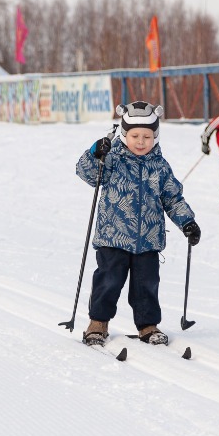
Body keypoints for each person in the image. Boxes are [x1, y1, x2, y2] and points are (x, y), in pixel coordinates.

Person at [75, 101, 200, 348]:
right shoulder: (111, 159)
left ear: (156, 136)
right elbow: (87, 174)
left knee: (147, 286)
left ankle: (148, 326)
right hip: (113, 237)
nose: (141, 141)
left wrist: (187, 221)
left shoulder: (160, 166)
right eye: (135, 135)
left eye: (147, 136)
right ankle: (97, 323)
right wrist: (93, 153)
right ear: (124, 135)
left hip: (149, 240)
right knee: (108, 282)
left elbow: (172, 198)